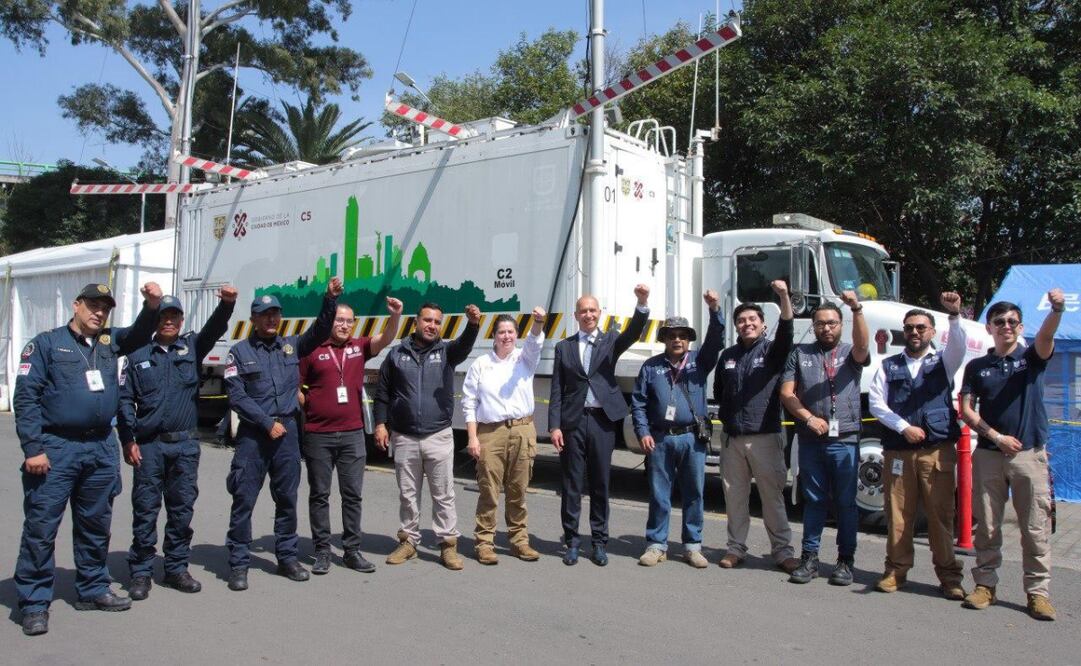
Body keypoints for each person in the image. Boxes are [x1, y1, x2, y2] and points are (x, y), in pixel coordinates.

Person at [14, 281, 163, 636]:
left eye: (106, 308)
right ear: (76, 305)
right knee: (41, 527)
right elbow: (26, 399)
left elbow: (142, 332)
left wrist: (153, 307)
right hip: (57, 447)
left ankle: (93, 588)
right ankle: (34, 603)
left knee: (95, 525)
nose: (99, 312)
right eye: (94, 305)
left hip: (99, 447)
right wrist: (33, 448)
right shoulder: (47, 344)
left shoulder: (110, 344)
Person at [117, 287, 237, 601]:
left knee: (181, 511)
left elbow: (216, 326)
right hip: (150, 446)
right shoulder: (138, 355)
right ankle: (141, 572)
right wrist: (128, 440)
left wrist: (227, 303)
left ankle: (176, 568)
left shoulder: (193, 347)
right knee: (145, 511)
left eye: (174, 316)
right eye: (163, 316)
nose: (169, 321)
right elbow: (125, 401)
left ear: (182, 321)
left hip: (184, 446)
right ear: (156, 321)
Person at [223, 278, 342, 591]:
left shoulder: (291, 346)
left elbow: (319, 331)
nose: (271, 318)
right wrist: (265, 422)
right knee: (244, 499)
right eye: (265, 314)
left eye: (275, 313)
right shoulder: (239, 352)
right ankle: (238, 564)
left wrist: (329, 300)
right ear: (254, 319)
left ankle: (287, 557)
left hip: (287, 434)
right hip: (254, 435)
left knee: (287, 499)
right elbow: (237, 397)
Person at [958, 289, 1065, 621]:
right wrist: (995, 436)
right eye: (999, 321)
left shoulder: (1032, 358)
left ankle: (1037, 593)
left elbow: (1046, 335)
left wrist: (1057, 310)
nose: (1006, 326)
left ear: (1020, 327)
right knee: (987, 526)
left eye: (1013, 322)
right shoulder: (977, 366)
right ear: (989, 327)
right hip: (989, 454)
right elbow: (966, 410)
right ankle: (985, 586)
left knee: (1034, 528)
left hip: (1028, 456)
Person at [868, 292, 967, 600]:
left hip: (936, 453)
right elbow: (876, 404)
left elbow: (959, 346)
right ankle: (895, 571)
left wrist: (955, 315)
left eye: (921, 327)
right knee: (898, 515)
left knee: (941, 516)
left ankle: (949, 578)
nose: (914, 332)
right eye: (909, 327)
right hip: (898, 451)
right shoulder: (888, 365)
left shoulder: (944, 362)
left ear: (932, 332)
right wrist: (904, 427)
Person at [374, 302, 481, 570]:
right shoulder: (396, 355)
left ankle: (448, 546)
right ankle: (408, 542)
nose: (432, 326)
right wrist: (380, 424)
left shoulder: (447, 352)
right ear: (416, 323)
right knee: (408, 495)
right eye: (427, 320)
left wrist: (474, 324)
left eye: (436, 322)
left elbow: (465, 345)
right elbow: (383, 393)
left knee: (443, 494)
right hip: (405, 437)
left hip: (438, 435)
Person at [299, 296, 402, 575]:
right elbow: (297, 387)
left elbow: (386, 338)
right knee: (320, 494)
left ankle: (351, 551)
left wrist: (395, 316)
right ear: (329, 322)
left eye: (349, 321)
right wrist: (308, 405)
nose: (344, 325)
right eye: (339, 320)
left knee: (352, 495)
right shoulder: (312, 349)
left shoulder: (359, 348)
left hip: (353, 434)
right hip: (318, 435)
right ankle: (321, 551)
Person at [550, 285, 650, 566]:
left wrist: (641, 303)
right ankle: (571, 541)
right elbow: (557, 389)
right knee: (571, 484)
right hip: (572, 422)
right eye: (583, 311)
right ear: (576, 315)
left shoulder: (610, 341)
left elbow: (633, 332)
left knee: (600, 483)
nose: (588, 314)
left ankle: (598, 542)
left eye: (592, 310)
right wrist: (554, 426)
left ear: (599, 314)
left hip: (602, 421)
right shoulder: (564, 347)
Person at [779, 291, 869, 586]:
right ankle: (809, 558)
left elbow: (863, 344)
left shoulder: (850, 354)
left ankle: (845, 561)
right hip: (811, 439)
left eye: (831, 323)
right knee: (814, 500)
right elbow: (787, 394)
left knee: (845, 502)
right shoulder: (800, 353)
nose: (826, 328)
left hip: (845, 440)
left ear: (840, 325)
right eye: (820, 324)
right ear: (814, 326)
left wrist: (857, 309)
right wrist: (808, 418)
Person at [631, 291, 723, 568]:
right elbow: (638, 403)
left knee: (694, 492)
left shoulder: (700, 362)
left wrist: (714, 309)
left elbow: (716, 339)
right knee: (660, 493)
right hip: (659, 439)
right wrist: (643, 432)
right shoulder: (651, 367)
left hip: (691, 438)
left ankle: (692, 545)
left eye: (682, 335)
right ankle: (657, 544)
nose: (677, 340)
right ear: (664, 339)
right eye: (672, 335)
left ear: (688, 339)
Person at [713, 280, 800, 573]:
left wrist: (784, 295)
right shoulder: (727, 356)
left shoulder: (774, 352)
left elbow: (787, 329)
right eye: (741, 320)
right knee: (734, 498)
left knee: (771, 498)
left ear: (763, 324)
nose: (746, 323)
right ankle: (735, 549)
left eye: (752, 319)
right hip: (733, 439)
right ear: (736, 326)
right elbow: (719, 391)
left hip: (765, 437)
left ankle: (783, 552)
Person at [462, 307, 546, 565]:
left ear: (516, 335)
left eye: (511, 332)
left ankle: (519, 541)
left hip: (522, 430)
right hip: (491, 433)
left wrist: (538, 322)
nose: (506, 336)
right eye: (501, 332)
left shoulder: (525, 359)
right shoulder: (481, 364)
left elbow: (534, 343)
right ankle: (484, 543)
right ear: (494, 336)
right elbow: (469, 402)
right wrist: (472, 438)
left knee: (518, 489)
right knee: (488, 490)